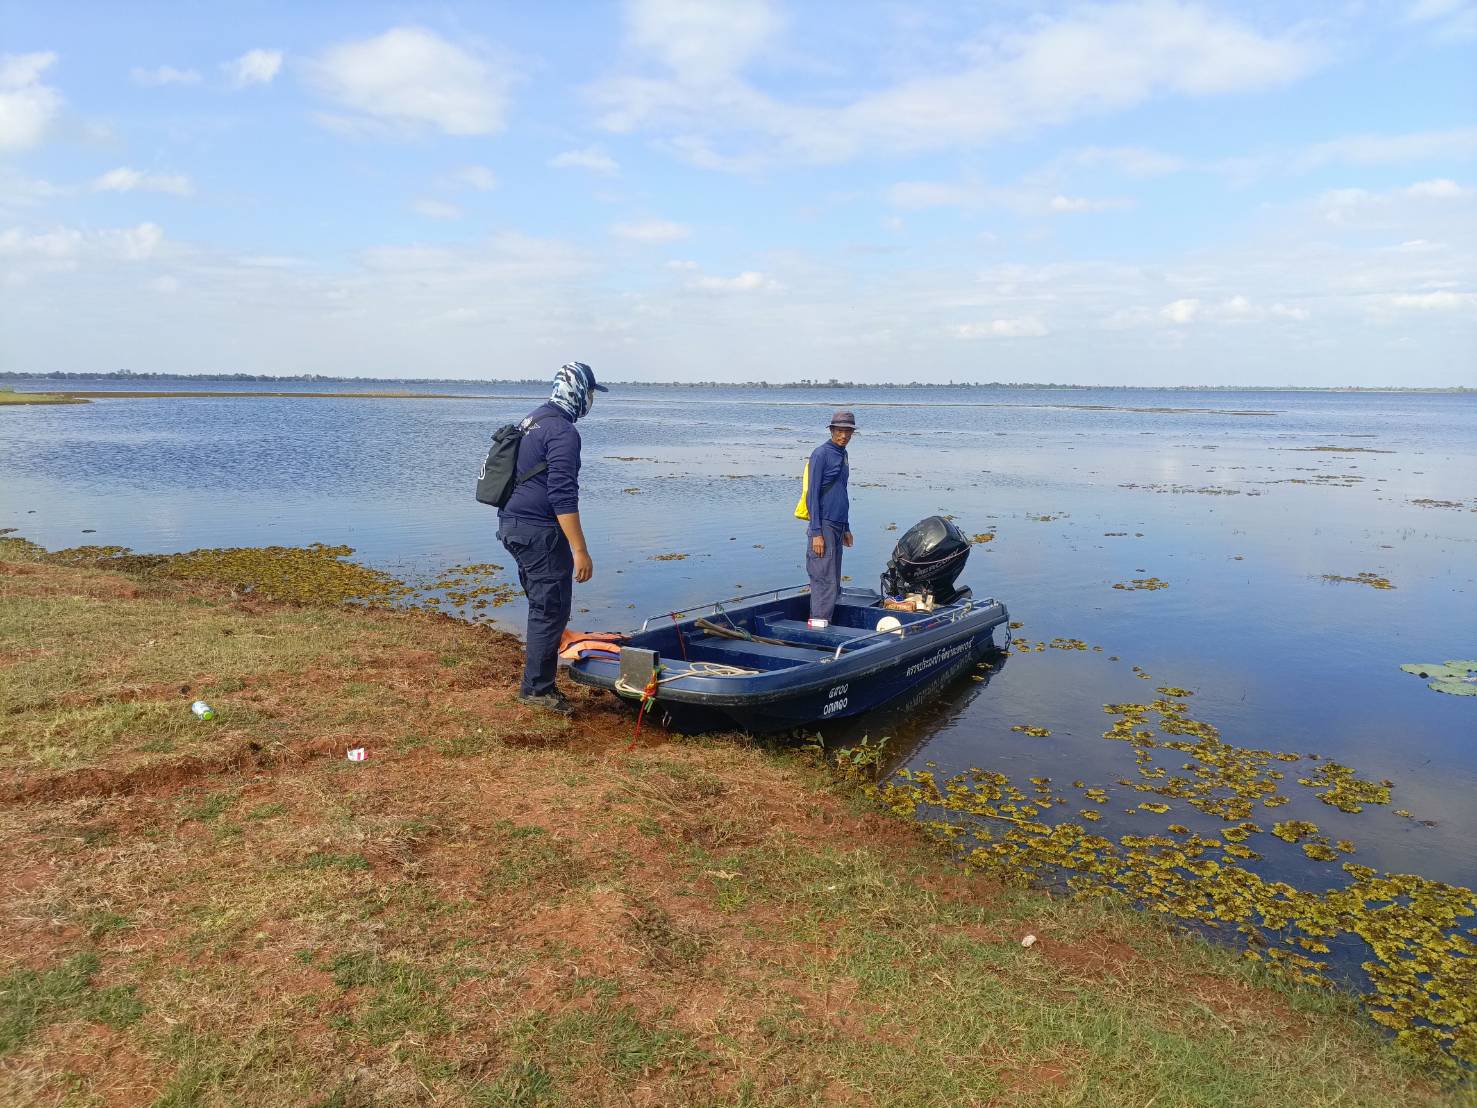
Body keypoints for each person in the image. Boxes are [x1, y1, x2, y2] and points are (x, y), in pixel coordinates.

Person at [497, 361, 607, 715]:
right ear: (578, 391)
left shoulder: (534, 419)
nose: (592, 400)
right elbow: (562, 495)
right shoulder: (562, 431)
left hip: (513, 525)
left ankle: (538, 682)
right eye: (591, 393)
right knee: (550, 609)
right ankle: (536, 690)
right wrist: (580, 550)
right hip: (538, 532)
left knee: (542, 607)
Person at [804, 410, 855, 627]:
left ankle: (827, 621)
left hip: (838, 524)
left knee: (833, 578)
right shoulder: (820, 454)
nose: (844, 436)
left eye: (848, 431)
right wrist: (816, 532)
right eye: (840, 431)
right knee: (823, 577)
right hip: (823, 524)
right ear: (832, 430)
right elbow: (812, 494)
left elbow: (842, 490)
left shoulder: (843, 454)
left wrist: (846, 527)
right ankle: (818, 625)